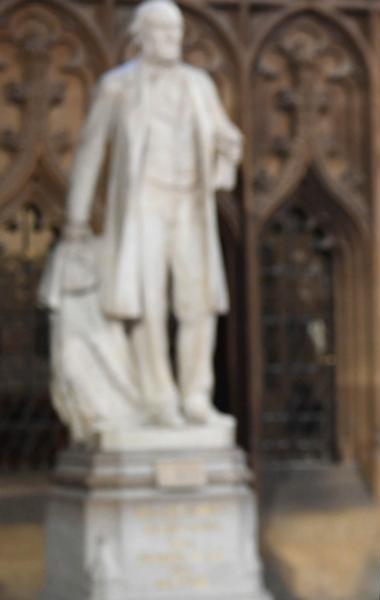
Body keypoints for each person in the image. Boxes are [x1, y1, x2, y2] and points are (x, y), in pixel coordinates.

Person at [61, 0, 242, 426]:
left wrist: (222, 168)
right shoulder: (117, 87)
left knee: (198, 303)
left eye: (175, 32)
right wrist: (75, 218)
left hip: (188, 205)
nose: (169, 39)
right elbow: (90, 153)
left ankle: (196, 395)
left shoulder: (199, 85)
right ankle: (158, 398)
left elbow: (228, 138)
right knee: (147, 303)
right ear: (140, 36)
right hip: (144, 206)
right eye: (160, 31)